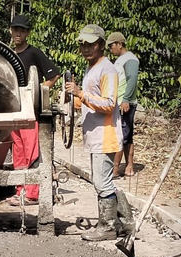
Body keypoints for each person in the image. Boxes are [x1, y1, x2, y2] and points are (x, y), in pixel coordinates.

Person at [64, 24, 124, 241]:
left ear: (100, 44)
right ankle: (125, 222)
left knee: (102, 183)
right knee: (105, 181)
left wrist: (82, 93)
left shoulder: (107, 69)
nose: (86, 48)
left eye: (90, 44)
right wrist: (78, 100)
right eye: (83, 44)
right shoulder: (91, 67)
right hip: (95, 134)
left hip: (105, 134)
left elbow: (109, 103)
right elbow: (91, 99)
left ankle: (107, 227)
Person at [7, 14, 60, 206]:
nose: (18, 33)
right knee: (18, 151)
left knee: (32, 150)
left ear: (27, 33)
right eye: (15, 30)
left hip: (31, 111)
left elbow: (54, 75)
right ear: (11, 31)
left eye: (22, 30)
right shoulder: (9, 55)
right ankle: (20, 190)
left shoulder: (34, 53)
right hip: (14, 110)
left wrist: (37, 92)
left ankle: (33, 193)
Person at [106, 31, 139, 179]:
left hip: (124, 103)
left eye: (111, 45)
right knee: (126, 135)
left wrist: (126, 99)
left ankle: (115, 169)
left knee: (121, 135)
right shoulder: (121, 59)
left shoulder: (130, 59)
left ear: (120, 44)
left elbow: (132, 80)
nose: (110, 49)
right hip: (119, 102)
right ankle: (129, 167)